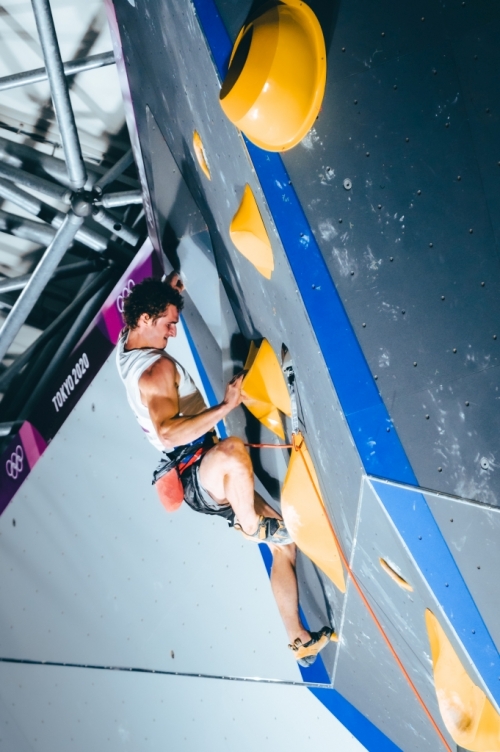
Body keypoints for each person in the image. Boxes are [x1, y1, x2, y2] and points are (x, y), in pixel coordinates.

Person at [116, 274, 336, 665]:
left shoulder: (128, 345)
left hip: (200, 464)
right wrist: (226, 406)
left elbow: (144, 313)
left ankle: (298, 641)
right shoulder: (155, 371)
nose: (173, 329)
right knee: (234, 451)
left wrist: (170, 292)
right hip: (197, 473)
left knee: (284, 547)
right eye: (168, 322)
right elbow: (167, 434)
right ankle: (249, 525)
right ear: (146, 319)